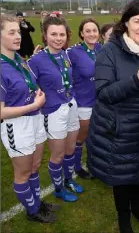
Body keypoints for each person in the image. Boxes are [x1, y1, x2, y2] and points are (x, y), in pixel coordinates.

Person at [85, 0, 139, 233]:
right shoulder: (110, 51)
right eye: (137, 21)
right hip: (117, 130)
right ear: (126, 22)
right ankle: (124, 219)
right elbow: (103, 93)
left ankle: (138, 209)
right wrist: (136, 80)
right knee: (122, 177)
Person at [0, 15, 59, 223]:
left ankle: (36, 203)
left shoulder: (19, 60)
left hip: (35, 118)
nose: (18, 36)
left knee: (34, 165)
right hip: (17, 125)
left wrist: (36, 95)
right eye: (11, 32)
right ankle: (32, 211)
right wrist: (34, 105)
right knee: (23, 172)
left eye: (19, 31)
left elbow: (27, 85)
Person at [27, 16, 83, 202]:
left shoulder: (65, 54)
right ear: (44, 35)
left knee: (70, 149)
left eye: (61, 34)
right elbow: (27, 85)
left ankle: (67, 180)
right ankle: (58, 189)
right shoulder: (36, 60)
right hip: (53, 111)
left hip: (71, 104)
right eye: (53, 34)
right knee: (57, 154)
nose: (58, 38)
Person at [66, 18, 102, 179]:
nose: (92, 34)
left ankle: (93, 164)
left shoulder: (100, 49)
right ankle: (77, 167)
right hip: (83, 103)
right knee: (81, 137)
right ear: (81, 33)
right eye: (88, 31)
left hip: (99, 101)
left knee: (94, 137)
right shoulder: (73, 52)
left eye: (94, 30)